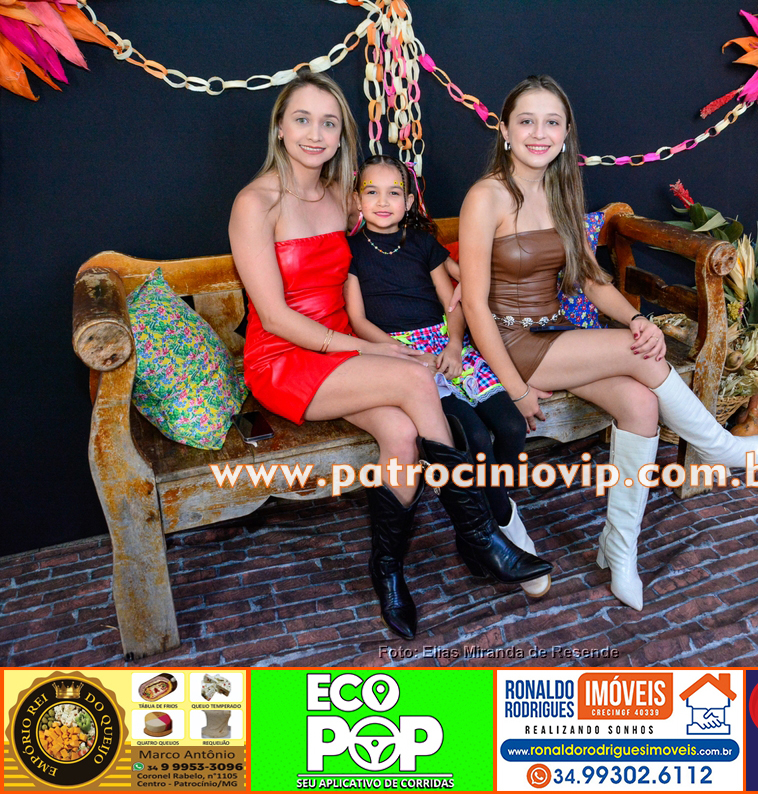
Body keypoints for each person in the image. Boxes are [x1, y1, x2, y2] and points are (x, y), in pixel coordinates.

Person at [228, 71, 550, 641]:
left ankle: (388, 570)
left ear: (342, 134)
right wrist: (377, 348)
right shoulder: (254, 203)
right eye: (301, 120)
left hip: (348, 353)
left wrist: (468, 287)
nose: (315, 134)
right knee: (417, 382)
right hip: (286, 358)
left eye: (329, 123)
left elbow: (398, 245)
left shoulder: (344, 196)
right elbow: (274, 317)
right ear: (279, 128)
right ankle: (478, 533)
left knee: (402, 434)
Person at [458, 75, 758, 611]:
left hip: (555, 333)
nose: (539, 133)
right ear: (504, 130)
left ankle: (620, 550)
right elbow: (474, 307)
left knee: (640, 405)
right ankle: (721, 447)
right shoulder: (486, 196)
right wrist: (515, 388)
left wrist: (637, 318)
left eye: (551, 122)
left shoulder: (560, 192)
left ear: (566, 133)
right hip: (509, 341)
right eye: (526, 121)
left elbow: (591, 280)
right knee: (638, 353)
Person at [344, 154, 550, 597]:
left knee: (512, 426)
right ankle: (500, 529)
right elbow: (358, 320)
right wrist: (400, 353)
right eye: (372, 192)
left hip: (446, 344)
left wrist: (455, 345)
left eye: (394, 193)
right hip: (399, 353)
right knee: (472, 436)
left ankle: (493, 513)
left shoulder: (423, 243)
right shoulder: (352, 251)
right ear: (357, 199)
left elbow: (453, 299)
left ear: (409, 201)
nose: (383, 201)